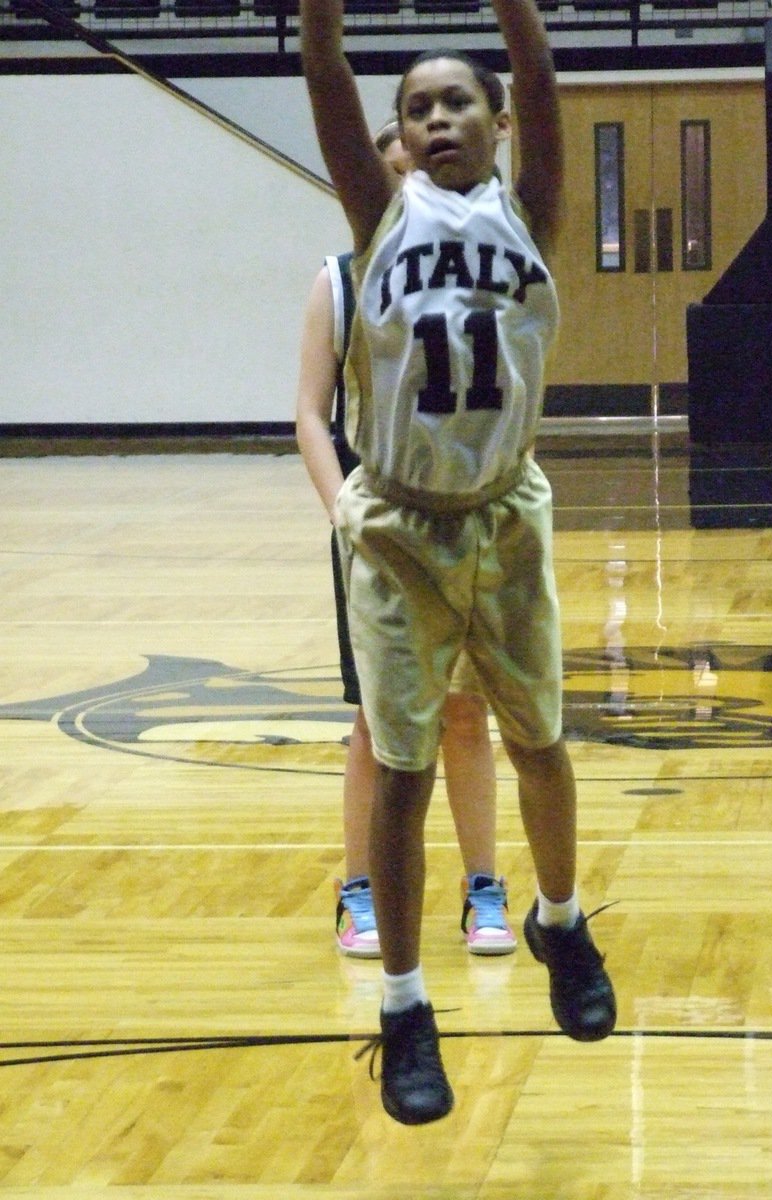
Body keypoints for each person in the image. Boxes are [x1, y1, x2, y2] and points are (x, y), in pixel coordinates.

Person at [300, 0, 616, 1126]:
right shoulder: (380, 218)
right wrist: (321, 23)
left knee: (540, 744)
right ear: (397, 134)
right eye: (417, 108)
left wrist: (517, 18)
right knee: (404, 768)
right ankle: (403, 1007)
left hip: (503, 514)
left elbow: (541, 65)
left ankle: (559, 922)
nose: (436, 120)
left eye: (457, 102)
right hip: (401, 525)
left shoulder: (531, 211)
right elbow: (324, 69)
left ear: (499, 119)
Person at [295, 120, 517, 959]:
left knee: (466, 713)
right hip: (377, 526)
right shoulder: (340, 281)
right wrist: (345, 512)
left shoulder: (484, 274)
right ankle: (358, 890)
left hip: (469, 517)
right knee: (377, 720)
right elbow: (310, 413)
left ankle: (483, 886)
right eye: (391, 176)